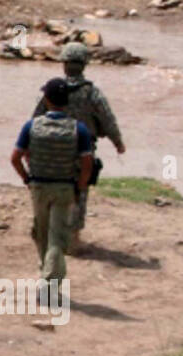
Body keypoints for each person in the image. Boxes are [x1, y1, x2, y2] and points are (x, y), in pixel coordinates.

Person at [31, 42, 126, 250]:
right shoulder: (92, 93)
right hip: (82, 148)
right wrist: (118, 143)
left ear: (64, 64)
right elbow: (107, 119)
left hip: (51, 148)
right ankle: (72, 238)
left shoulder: (52, 90)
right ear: (84, 64)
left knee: (50, 187)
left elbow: (34, 121)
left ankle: (48, 234)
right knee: (79, 192)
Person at [11, 78, 95, 289]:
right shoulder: (79, 130)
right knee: (57, 236)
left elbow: (15, 158)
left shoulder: (32, 126)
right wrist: (80, 187)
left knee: (41, 232)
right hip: (65, 188)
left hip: (39, 187)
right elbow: (87, 164)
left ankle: (46, 276)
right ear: (66, 101)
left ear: (46, 100)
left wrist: (27, 179)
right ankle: (50, 281)